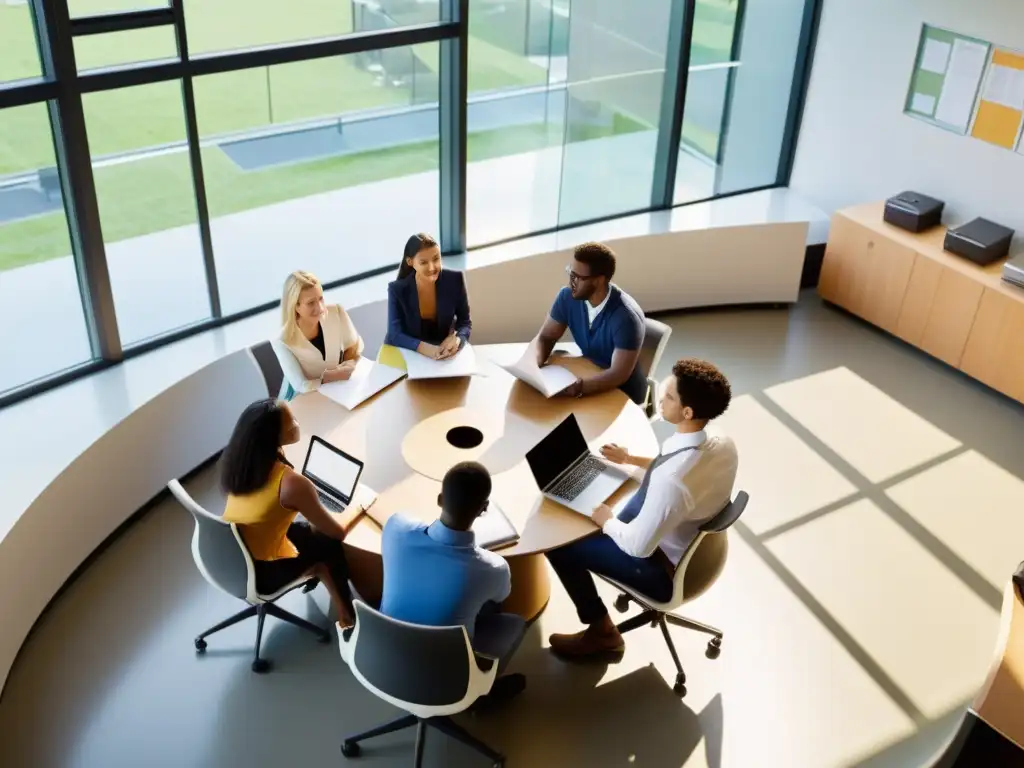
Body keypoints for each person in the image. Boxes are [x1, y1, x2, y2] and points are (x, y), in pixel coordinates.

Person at [545, 358, 738, 659]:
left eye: (670, 396)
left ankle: (602, 633)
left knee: (557, 544)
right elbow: (669, 468)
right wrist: (630, 459)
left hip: (661, 570)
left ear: (687, 412)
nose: (660, 396)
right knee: (603, 495)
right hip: (694, 543)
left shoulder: (671, 482)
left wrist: (606, 520)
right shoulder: (721, 441)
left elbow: (638, 546)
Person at [380, 462, 526, 706]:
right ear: (484, 509)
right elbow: (502, 596)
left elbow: (405, 519)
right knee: (507, 616)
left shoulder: (395, 527)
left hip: (386, 658)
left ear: (440, 499)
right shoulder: (492, 568)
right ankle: (478, 694)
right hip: (449, 677)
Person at [221, 398, 368, 629]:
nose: (298, 424)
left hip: (234, 554)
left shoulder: (241, 463)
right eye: (292, 424)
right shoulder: (291, 484)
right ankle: (347, 617)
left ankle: (322, 581)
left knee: (304, 527)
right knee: (329, 544)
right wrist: (359, 508)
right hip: (263, 572)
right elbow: (337, 532)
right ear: (274, 438)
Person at [532, 241, 647, 404]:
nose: (571, 282)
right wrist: (535, 362)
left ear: (599, 281)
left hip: (621, 392)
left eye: (578, 277)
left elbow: (617, 374)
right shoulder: (567, 297)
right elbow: (546, 337)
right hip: (588, 373)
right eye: (570, 273)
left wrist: (578, 388)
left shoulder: (626, 317)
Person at [276, 271, 364, 399]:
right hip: (304, 398)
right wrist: (334, 376)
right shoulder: (281, 341)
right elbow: (301, 385)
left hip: (341, 389)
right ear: (296, 306)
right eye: (311, 303)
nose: (320, 308)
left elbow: (352, 347)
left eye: (321, 298)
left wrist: (349, 365)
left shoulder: (336, 312)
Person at [385, 233, 471, 361]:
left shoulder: (455, 280)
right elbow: (395, 334)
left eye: (436, 259)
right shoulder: (397, 289)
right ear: (410, 262)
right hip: (406, 354)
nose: (432, 268)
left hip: (440, 354)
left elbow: (464, 322)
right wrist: (427, 350)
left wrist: (457, 339)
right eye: (424, 262)